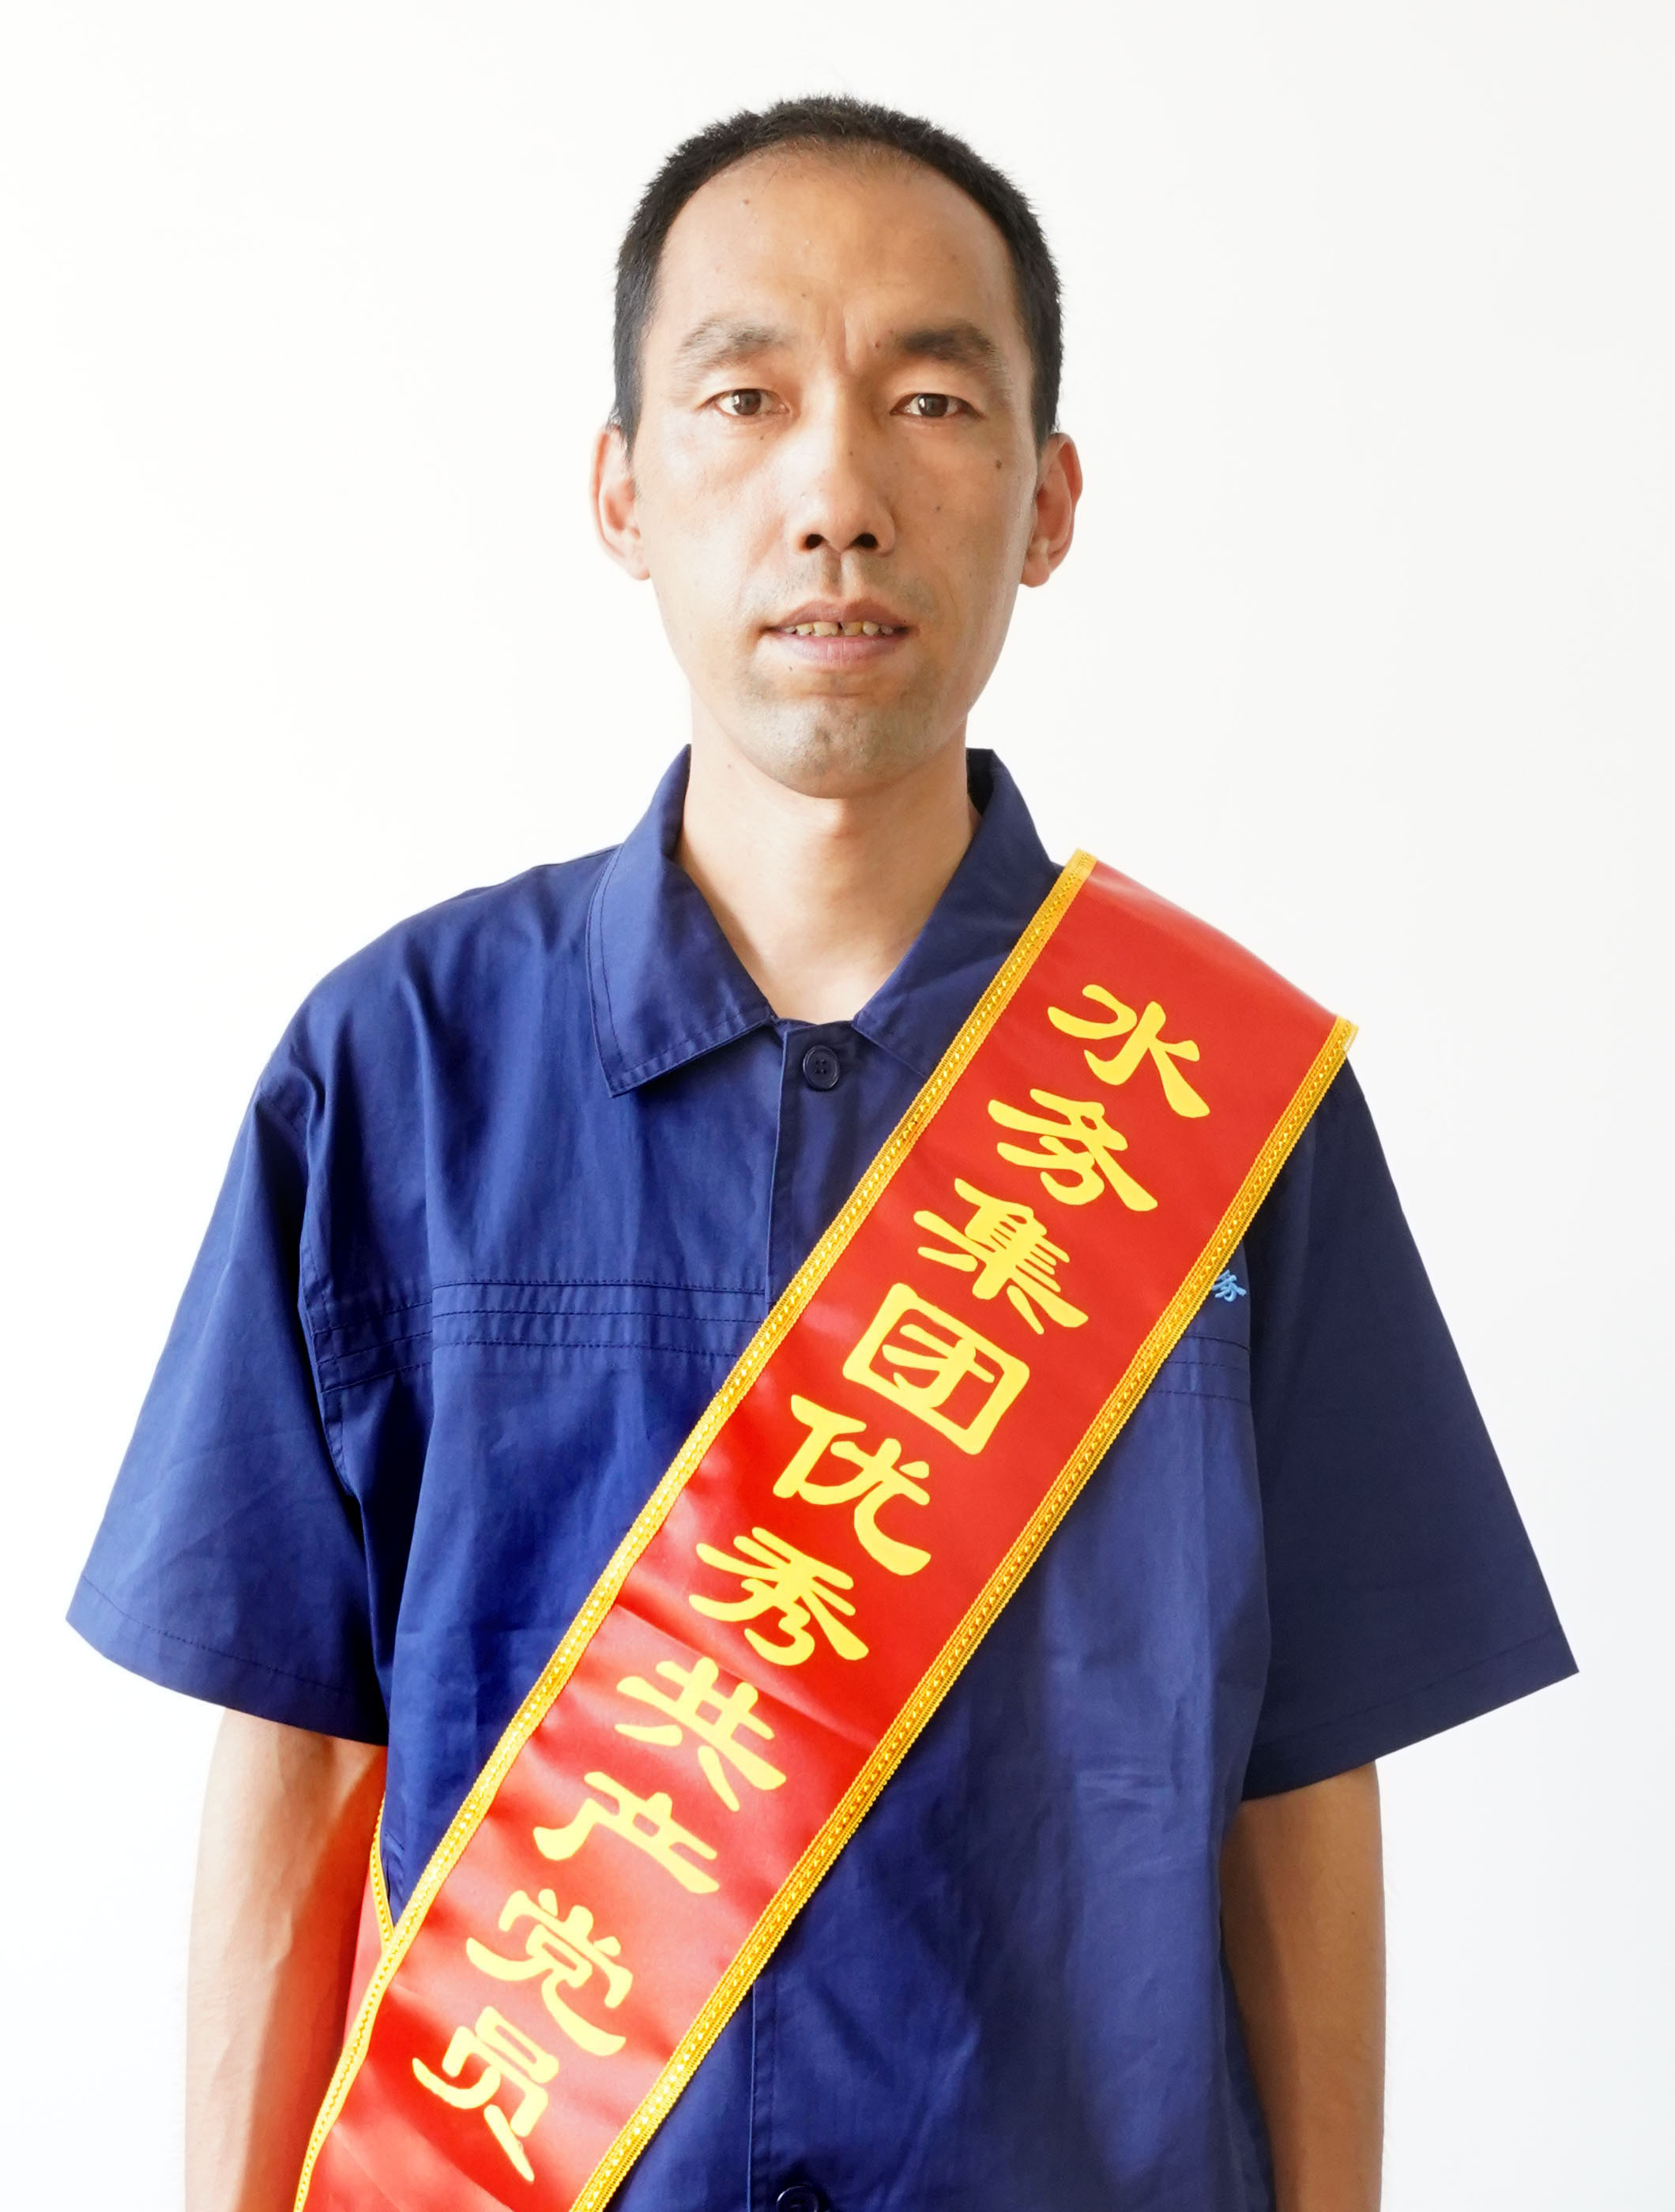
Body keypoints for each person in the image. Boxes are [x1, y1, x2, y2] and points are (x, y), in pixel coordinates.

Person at [70, 96, 1575, 2212]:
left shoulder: (1221, 1106)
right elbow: (301, 1758)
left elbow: (1304, 1776)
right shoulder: (393, 1073)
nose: (837, 495)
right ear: (623, 489)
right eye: (746, 399)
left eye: (931, 401)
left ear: (1048, 500)